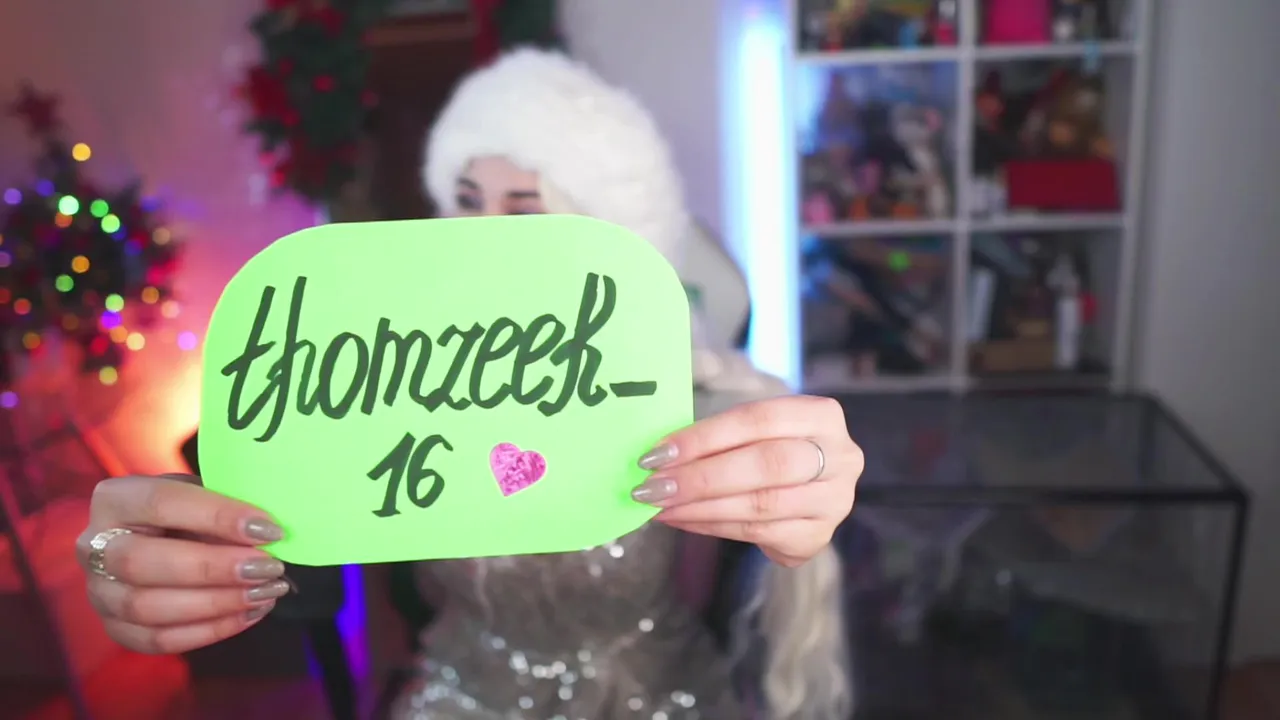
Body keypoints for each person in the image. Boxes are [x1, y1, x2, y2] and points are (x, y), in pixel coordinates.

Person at [75, 49, 863, 719]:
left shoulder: (676, 394)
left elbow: (768, 453)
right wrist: (171, 549)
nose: (484, 236)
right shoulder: (401, 378)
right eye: (464, 203)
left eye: (526, 212)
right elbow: (290, 508)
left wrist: (809, 482)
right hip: (461, 694)